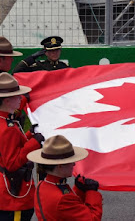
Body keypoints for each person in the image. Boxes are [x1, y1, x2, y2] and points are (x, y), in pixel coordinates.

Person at [0, 72, 44, 221]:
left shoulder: (6, 122)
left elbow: (13, 145)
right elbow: (12, 163)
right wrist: (35, 143)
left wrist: (30, 135)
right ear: (6, 100)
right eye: (17, 96)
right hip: (13, 195)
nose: (20, 98)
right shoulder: (8, 128)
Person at [27, 134, 103, 220]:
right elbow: (93, 218)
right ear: (60, 165)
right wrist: (92, 192)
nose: (74, 164)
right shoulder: (63, 198)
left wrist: (79, 190)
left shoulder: (42, 185)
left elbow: (67, 210)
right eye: (70, 161)